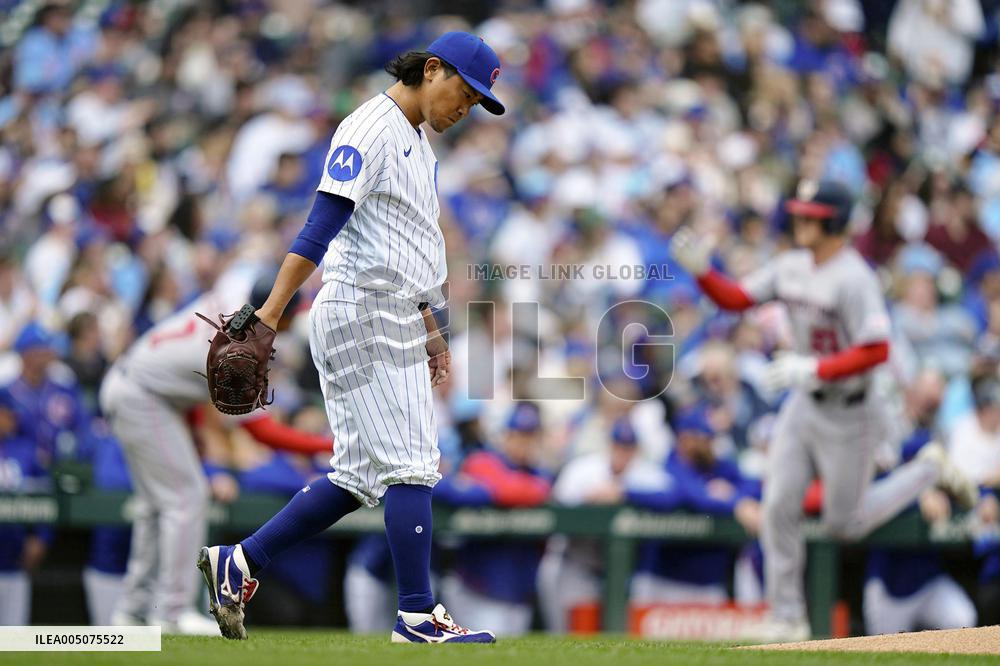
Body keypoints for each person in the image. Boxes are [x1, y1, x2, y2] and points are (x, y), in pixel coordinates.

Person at [197, 31, 506, 644]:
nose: (465, 109)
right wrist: (270, 315)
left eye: (476, 103)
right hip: (365, 309)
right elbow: (319, 227)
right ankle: (417, 615)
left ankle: (241, 561)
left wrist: (432, 329)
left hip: (391, 309)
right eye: (464, 93)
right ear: (432, 68)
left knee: (359, 476)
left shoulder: (417, 139)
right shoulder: (370, 128)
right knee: (413, 464)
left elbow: (408, 247)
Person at [670, 179, 979, 641]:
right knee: (778, 504)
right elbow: (737, 299)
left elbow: (876, 349)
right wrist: (703, 273)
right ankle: (786, 615)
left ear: (834, 222)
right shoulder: (792, 264)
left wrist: (815, 367)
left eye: (810, 216)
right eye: (799, 213)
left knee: (844, 524)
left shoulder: (855, 277)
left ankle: (927, 470)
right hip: (804, 401)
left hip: (851, 408)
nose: (799, 221)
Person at [98, 268, 331, 634]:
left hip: (142, 389)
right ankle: (172, 612)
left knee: (155, 506)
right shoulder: (239, 349)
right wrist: (327, 444)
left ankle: (134, 609)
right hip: (144, 397)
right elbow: (261, 431)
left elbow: (182, 372)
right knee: (186, 498)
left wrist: (192, 426)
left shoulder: (230, 307)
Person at [538, 415, 663, 632]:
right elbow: (556, 505)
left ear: (636, 449)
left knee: (618, 637)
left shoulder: (645, 472)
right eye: (618, 446)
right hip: (575, 564)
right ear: (609, 445)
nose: (622, 453)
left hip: (624, 574)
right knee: (567, 635)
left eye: (628, 447)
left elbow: (670, 496)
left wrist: (625, 493)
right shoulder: (583, 469)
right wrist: (587, 500)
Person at [439, 402, 553, 636]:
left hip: (518, 593)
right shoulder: (483, 461)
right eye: (519, 435)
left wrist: (507, 489)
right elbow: (501, 488)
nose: (525, 443)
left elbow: (539, 488)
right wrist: (509, 490)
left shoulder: (541, 474)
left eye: (531, 436)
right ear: (506, 436)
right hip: (473, 588)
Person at [628, 408, 761, 605]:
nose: (709, 444)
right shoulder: (668, 465)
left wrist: (734, 495)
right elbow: (692, 496)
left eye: (710, 438)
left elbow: (754, 487)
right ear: (684, 438)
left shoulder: (719, 466)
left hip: (708, 582)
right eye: (702, 437)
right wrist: (735, 503)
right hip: (661, 581)